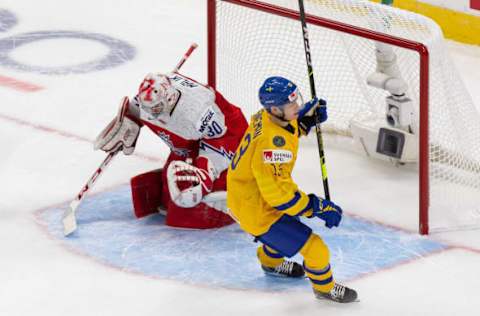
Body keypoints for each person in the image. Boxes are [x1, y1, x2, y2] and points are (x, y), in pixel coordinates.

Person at [227, 76, 358, 303]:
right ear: (276, 108)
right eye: (291, 105)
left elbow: (284, 130)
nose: (297, 107)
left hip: (248, 196)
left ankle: (271, 262)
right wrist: (316, 207)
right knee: (315, 248)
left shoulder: (265, 117)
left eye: (296, 100)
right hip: (257, 210)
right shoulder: (272, 147)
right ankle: (325, 289)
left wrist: (304, 122)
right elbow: (281, 197)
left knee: (283, 235)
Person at [94, 72, 248, 229]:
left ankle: (230, 195)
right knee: (172, 187)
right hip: (196, 138)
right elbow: (139, 104)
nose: (152, 114)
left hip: (228, 136)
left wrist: (205, 174)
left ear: (170, 98)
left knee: (190, 203)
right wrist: (132, 119)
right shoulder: (158, 94)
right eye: (149, 108)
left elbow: (219, 142)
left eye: (156, 108)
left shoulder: (197, 109)